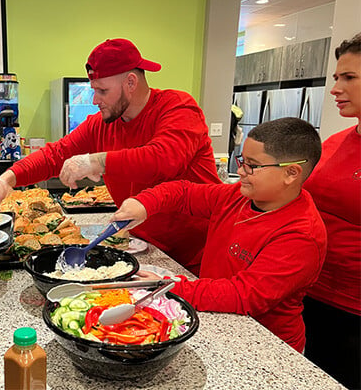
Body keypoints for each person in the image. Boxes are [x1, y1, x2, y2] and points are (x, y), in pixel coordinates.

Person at [0, 38, 221, 274]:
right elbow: (56, 154)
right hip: (144, 247)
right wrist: (7, 179)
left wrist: (96, 161)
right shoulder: (102, 124)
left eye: (103, 91)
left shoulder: (178, 108)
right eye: (94, 90)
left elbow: (164, 159)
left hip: (200, 256)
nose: (95, 100)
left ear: (130, 82)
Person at [112, 117, 326, 353]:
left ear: (291, 173)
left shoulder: (301, 235)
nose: (241, 172)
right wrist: (143, 203)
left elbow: (241, 295)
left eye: (252, 166)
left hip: (266, 345)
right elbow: (183, 192)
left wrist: (168, 286)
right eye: (242, 161)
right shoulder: (239, 196)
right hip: (220, 320)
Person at [302, 33, 361, 389]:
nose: (335, 88)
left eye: (349, 78)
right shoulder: (335, 143)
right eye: (336, 77)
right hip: (311, 292)